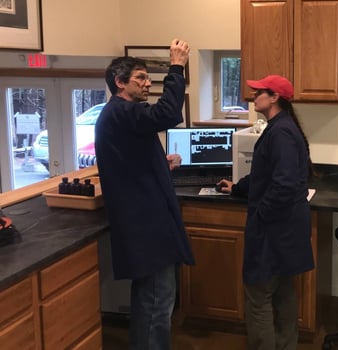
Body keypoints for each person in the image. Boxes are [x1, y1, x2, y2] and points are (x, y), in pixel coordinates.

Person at [95, 38, 194, 350]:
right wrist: (176, 66)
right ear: (119, 82)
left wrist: (160, 164)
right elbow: (165, 114)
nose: (147, 82)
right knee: (157, 302)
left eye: (148, 77)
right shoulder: (121, 111)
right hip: (146, 226)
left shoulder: (122, 115)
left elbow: (129, 162)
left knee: (150, 300)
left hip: (145, 221)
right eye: (140, 78)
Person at [217, 75, 314, 350]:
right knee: (283, 292)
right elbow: (265, 174)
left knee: (258, 296)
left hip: (275, 227)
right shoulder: (282, 127)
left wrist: (261, 215)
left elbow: (282, 184)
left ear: (275, 98)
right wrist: (238, 187)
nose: (253, 95)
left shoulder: (280, 132)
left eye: (259, 92)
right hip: (288, 227)